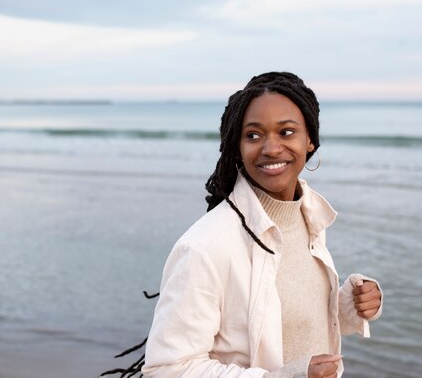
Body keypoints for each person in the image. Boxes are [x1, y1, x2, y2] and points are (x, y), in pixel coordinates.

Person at [142, 71, 383, 377]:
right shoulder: (204, 247)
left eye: (286, 132)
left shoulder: (307, 216)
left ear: (310, 140)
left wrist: (350, 303)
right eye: (253, 135)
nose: (270, 148)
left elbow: (280, 316)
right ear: (237, 148)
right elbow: (167, 369)